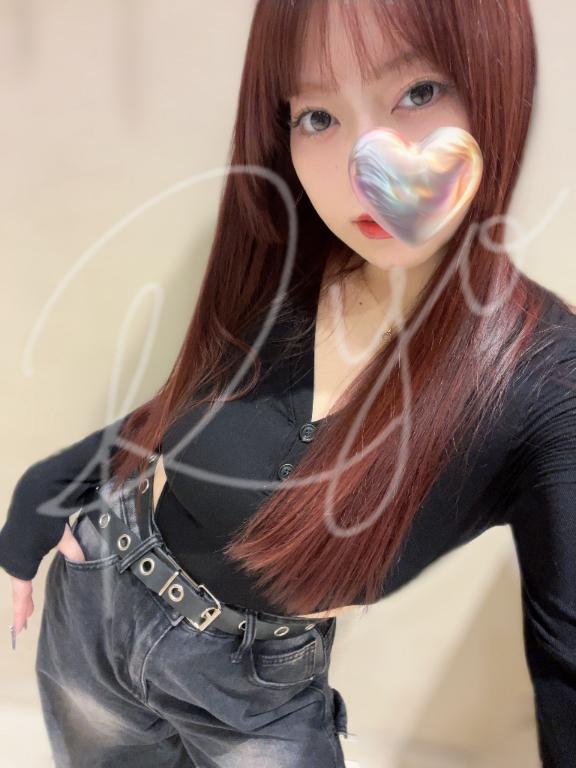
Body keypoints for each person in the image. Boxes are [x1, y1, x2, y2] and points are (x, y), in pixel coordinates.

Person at [1, 1, 575, 766]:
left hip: (256, 693)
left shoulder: (543, 380)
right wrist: (41, 500)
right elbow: (178, 412)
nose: (366, 166)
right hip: (100, 591)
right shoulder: (293, 265)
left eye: (418, 92)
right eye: (317, 117)